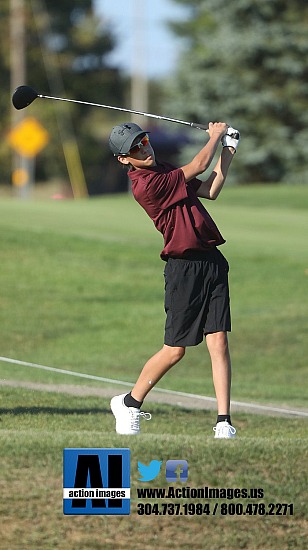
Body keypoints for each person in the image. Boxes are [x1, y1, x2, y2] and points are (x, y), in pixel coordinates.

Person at [108, 120, 240, 438]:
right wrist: (214, 136)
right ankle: (129, 402)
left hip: (211, 261)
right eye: (135, 148)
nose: (144, 148)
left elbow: (210, 189)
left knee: (219, 341)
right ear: (124, 159)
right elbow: (198, 164)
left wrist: (229, 149)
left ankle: (224, 422)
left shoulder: (164, 170)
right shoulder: (145, 184)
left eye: (145, 140)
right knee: (175, 350)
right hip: (183, 268)